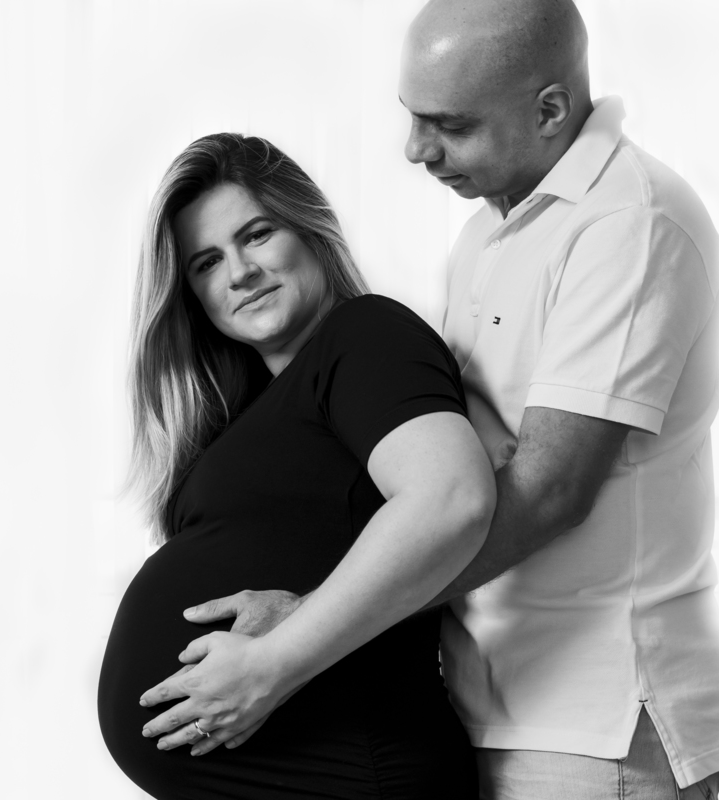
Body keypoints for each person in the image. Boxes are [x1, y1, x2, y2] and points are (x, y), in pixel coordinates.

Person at [162, 1, 719, 798]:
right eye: (412, 116)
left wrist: (305, 627)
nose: (416, 149)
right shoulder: (489, 233)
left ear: (550, 110)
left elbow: (549, 487)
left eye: (450, 125)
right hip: (488, 700)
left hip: (599, 717)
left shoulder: (629, 221)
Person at [96, 132, 497, 798]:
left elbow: (450, 499)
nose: (239, 273)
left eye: (256, 235)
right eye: (206, 263)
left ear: (308, 227)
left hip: (365, 764)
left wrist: (270, 667)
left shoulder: (363, 335)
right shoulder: (251, 412)